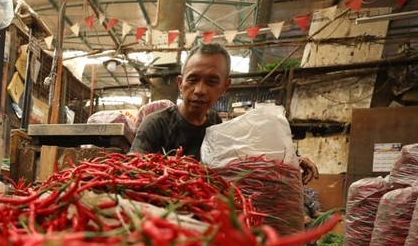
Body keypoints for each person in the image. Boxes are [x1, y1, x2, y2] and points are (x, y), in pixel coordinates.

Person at [130, 43, 319, 184]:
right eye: (193, 79)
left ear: (224, 87)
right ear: (180, 83)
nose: (200, 90)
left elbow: (249, 156)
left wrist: (293, 160)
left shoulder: (216, 124)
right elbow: (132, 174)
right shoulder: (155, 124)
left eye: (212, 82)